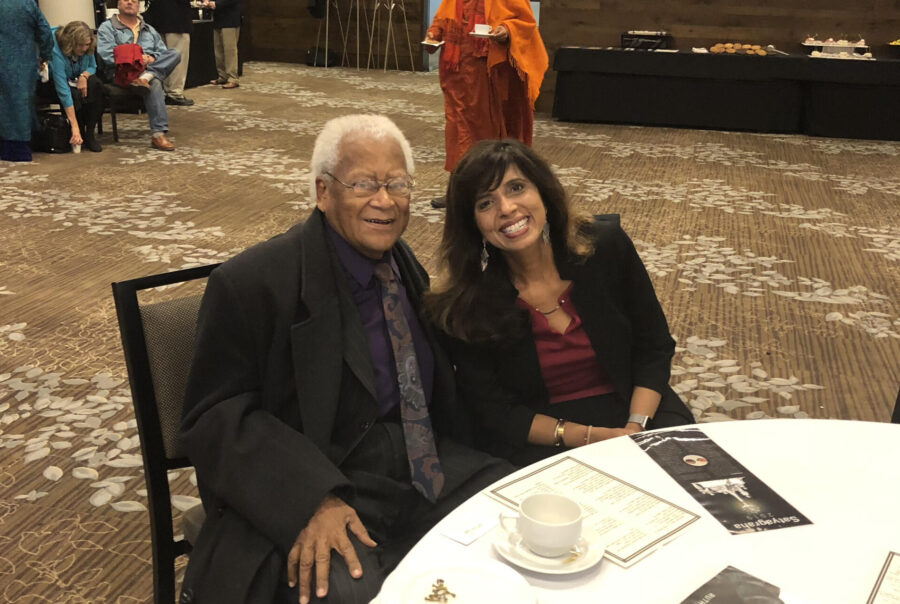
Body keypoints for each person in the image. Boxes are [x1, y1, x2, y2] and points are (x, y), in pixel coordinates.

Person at [179, 114, 511, 604]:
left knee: (510, 511)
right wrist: (312, 498)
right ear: (322, 192)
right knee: (349, 593)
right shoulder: (254, 282)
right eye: (363, 183)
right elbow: (215, 417)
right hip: (319, 467)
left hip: (414, 458)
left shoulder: (403, 264)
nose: (385, 200)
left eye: (397, 184)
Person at [425, 139, 693, 467]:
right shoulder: (466, 304)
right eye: (485, 203)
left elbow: (654, 347)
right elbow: (496, 412)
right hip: (545, 433)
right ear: (473, 225)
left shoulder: (605, 248)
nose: (506, 208)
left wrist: (635, 428)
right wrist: (591, 437)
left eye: (516, 187)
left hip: (637, 405)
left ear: (544, 193)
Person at [423, 0, 548, 208]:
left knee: (486, 132)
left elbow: (524, 22)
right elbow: (443, 19)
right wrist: (433, 35)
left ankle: (490, 189)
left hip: (488, 73)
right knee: (456, 131)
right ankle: (459, 190)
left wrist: (506, 30)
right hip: (456, 72)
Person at [97, 0, 181, 151]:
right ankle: (158, 135)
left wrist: (151, 58)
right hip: (121, 73)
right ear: (118, 4)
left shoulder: (149, 29)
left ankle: (146, 76)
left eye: (134, 0)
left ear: (138, 6)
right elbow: (107, 55)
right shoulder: (107, 27)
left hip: (145, 70)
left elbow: (162, 52)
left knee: (174, 54)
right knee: (154, 83)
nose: (130, 2)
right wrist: (136, 60)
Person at [0, 0, 54, 162]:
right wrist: (44, 55)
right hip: (21, 63)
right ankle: (18, 150)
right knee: (19, 105)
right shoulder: (26, 3)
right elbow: (45, 32)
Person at [40, 21, 105, 153]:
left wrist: (84, 76)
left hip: (76, 79)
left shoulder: (89, 46)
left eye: (86, 45)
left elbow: (92, 66)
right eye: (80, 45)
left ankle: (89, 134)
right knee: (72, 93)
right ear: (70, 43)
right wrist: (74, 125)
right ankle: (77, 130)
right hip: (51, 83)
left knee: (96, 85)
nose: (84, 48)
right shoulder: (56, 49)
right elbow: (62, 87)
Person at [143, 0, 195, 106]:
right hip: (177, 19)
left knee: (162, 57)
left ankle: (165, 91)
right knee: (177, 58)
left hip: (157, 17)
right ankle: (174, 93)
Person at [205, 0, 241, 89]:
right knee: (218, 51)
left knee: (230, 51)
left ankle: (233, 79)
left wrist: (215, 4)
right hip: (218, 19)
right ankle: (223, 76)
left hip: (230, 20)